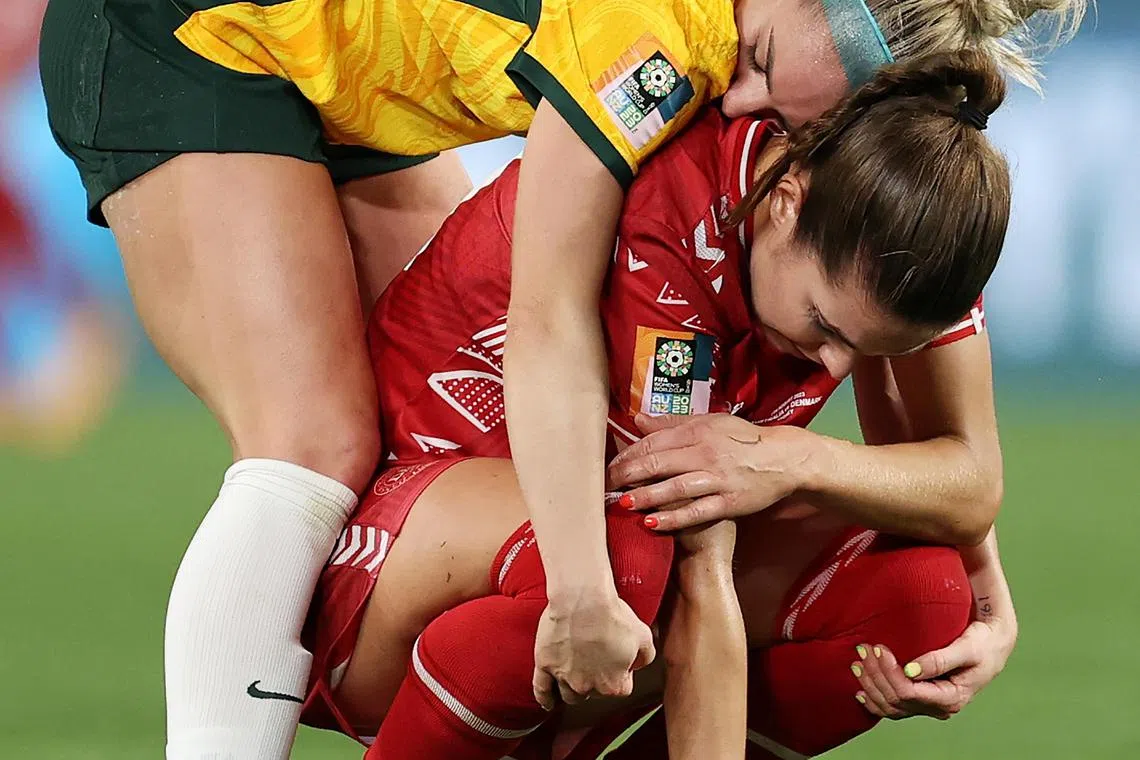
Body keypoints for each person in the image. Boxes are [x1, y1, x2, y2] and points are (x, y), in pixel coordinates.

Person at [37, 0, 1080, 756]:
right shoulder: (664, 48)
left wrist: (972, 560)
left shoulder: (872, 150)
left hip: (353, 81)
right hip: (192, 32)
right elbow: (543, 325)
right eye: (756, 60)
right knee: (315, 440)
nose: (749, 96)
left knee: (556, 495)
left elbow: (957, 474)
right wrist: (582, 592)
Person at [296, 49, 1014, 760]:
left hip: (585, 574)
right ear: (786, 204)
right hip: (386, 563)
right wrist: (783, 460)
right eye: (826, 327)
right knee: (635, 548)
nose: (836, 367)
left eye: (873, 350)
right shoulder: (678, 250)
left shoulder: (903, 220)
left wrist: (978, 587)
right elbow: (700, 581)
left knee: (920, 602)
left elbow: (969, 484)